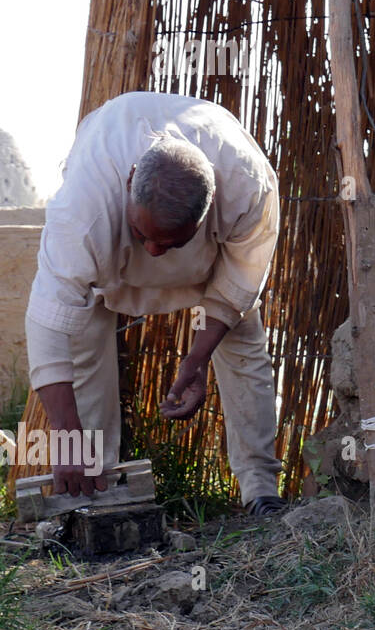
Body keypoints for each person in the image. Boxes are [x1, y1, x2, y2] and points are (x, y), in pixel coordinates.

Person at [25, 91, 286, 515]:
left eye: (171, 242)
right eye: (142, 234)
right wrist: (66, 439)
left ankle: (260, 488)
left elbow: (240, 283)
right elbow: (49, 323)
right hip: (105, 272)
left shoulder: (248, 187)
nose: (155, 251)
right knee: (82, 345)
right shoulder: (83, 210)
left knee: (242, 333)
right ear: (130, 182)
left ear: (210, 209)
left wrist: (197, 360)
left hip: (208, 265)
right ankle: (94, 493)